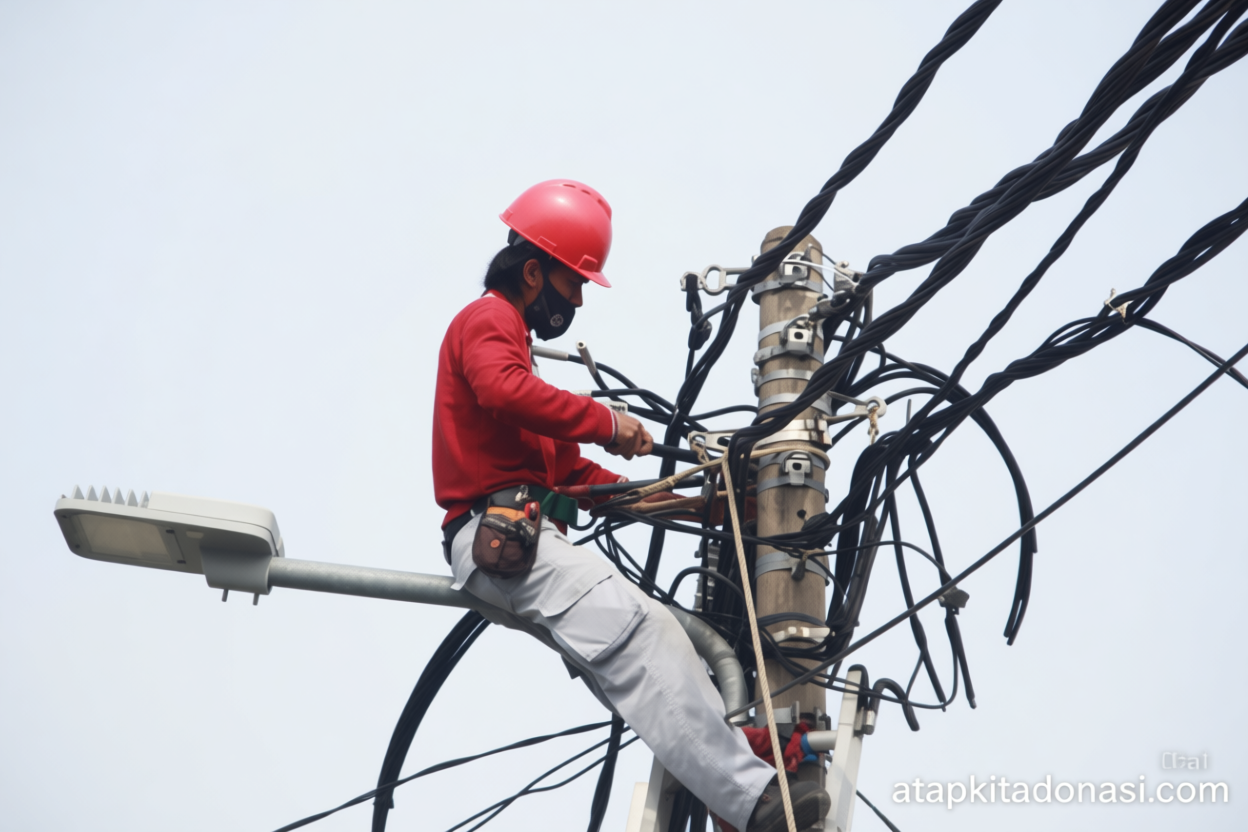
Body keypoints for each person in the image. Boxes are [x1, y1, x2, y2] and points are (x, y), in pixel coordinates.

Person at [431, 179, 830, 832]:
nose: (577, 299)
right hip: (497, 533)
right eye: (574, 282)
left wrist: (698, 509)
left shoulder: (519, 363)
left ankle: (734, 775)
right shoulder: (489, 321)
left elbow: (582, 480)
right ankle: (750, 800)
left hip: (525, 536)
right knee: (639, 636)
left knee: (661, 639)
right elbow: (502, 389)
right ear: (533, 273)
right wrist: (605, 421)